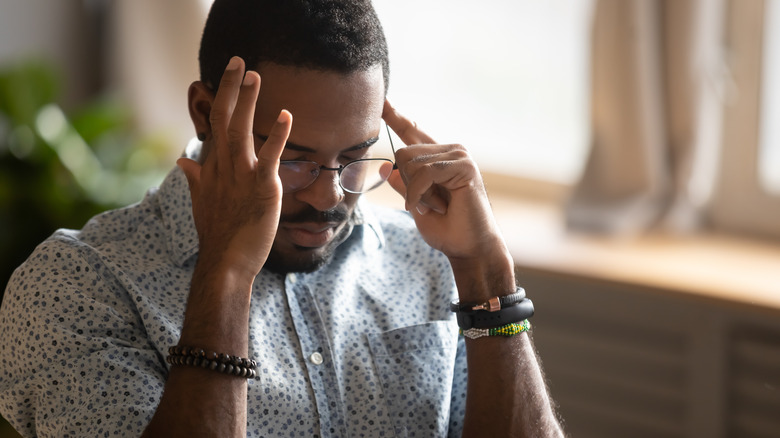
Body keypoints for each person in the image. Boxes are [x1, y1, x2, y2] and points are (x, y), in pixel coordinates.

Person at [0, 0, 564, 436]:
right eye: (291, 158)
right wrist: (224, 270)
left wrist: (486, 271)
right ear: (205, 113)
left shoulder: (433, 261)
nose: (328, 196)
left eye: (353, 157)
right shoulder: (72, 287)